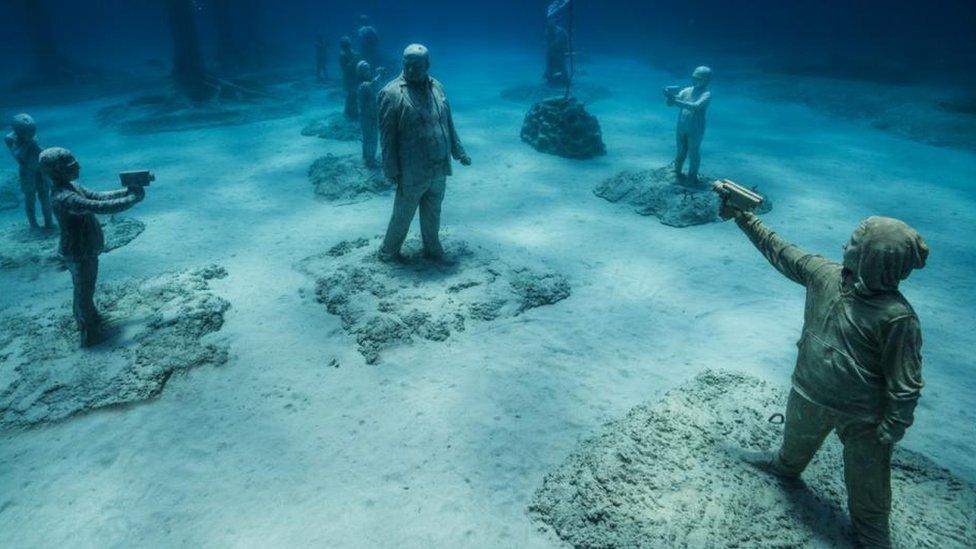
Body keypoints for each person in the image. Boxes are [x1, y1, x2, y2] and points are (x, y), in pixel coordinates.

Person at [720, 200, 928, 549]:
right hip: (808, 391)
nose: (844, 248)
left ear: (873, 259)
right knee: (792, 449)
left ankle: (874, 536)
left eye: (853, 245)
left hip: (864, 419)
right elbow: (780, 250)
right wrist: (743, 217)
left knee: (869, 490)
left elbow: (905, 383)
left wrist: (892, 428)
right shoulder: (824, 276)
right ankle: (784, 467)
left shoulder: (897, 318)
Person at [40, 147, 147, 347]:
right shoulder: (65, 197)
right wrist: (132, 199)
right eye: (71, 165)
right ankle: (89, 334)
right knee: (83, 292)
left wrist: (126, 191)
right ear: (57, 170)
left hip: (82, 249)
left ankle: (91, 320)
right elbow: (99, 207)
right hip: (79, 251)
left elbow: (98, 196)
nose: (78, 166)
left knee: (84, 290)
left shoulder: (70, 187)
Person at [377, 44, 471, 263]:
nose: (410, 69)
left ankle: (433, 248)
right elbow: (387, 138)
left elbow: (448, 123)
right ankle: (388, 252)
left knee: (433, 210)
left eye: (416, 65)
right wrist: (390, 169)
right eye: (406, 64)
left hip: (439, 165)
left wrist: (459, 152)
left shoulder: (438, 86)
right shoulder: (390, 94)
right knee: (403, 214)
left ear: (427, 64)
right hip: (412, 169)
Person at [5, 113, 54, 230]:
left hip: (40, 170)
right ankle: (33, 224)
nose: (32, 134)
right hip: (27, 172)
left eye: (33, 131)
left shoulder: (32, 137)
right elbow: (18, 156)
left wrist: (35, 144)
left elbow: (40, 151)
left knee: (45, 197)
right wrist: (29, 143)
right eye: (29, 132)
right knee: (30, 198)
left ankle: (49, 222)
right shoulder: (11, 139)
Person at [664, 66, 712, 182]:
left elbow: (695, 106)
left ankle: (692, 177)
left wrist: (674, 101)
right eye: (694, 77)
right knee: (680, 150)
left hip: (695, 128)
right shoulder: (687, 91)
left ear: (706, 80)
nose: (695, 80)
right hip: (682, 126)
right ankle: (677, 172)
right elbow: (670, 104)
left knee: (693, 152)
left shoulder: (706, 94)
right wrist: (669, 97)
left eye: (699, 78)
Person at [356, 60, 384, 168]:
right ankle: (370, 159)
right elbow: (373, 86)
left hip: (369, 115)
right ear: (361, 72)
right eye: (366, 69)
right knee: (371, 137)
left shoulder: (364, 84)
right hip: (368, 116)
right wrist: (380, 74)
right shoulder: (364, 85)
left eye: (369, 68)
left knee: (368, 137)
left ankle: (367, 157)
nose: (369, 71)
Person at [339, 36, 360, 120]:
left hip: (353, 76)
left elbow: (355, 56)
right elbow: (345, 68)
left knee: (353, 95)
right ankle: (349, 113)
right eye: (348, 43)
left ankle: (351, 112)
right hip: (348, 78)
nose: (349, 44)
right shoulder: (342, 54)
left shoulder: (350, 51)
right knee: (351, 95)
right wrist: (355, 59)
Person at [544, 22, 570, 87]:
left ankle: (564, 80)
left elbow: (565, 42)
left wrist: (566, 50)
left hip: (559, 51)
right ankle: (551, 79)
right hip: (551, 51)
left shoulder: (560, 31)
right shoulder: (547, 30)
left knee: (561, 65)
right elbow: (548, 40)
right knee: (550, 65)